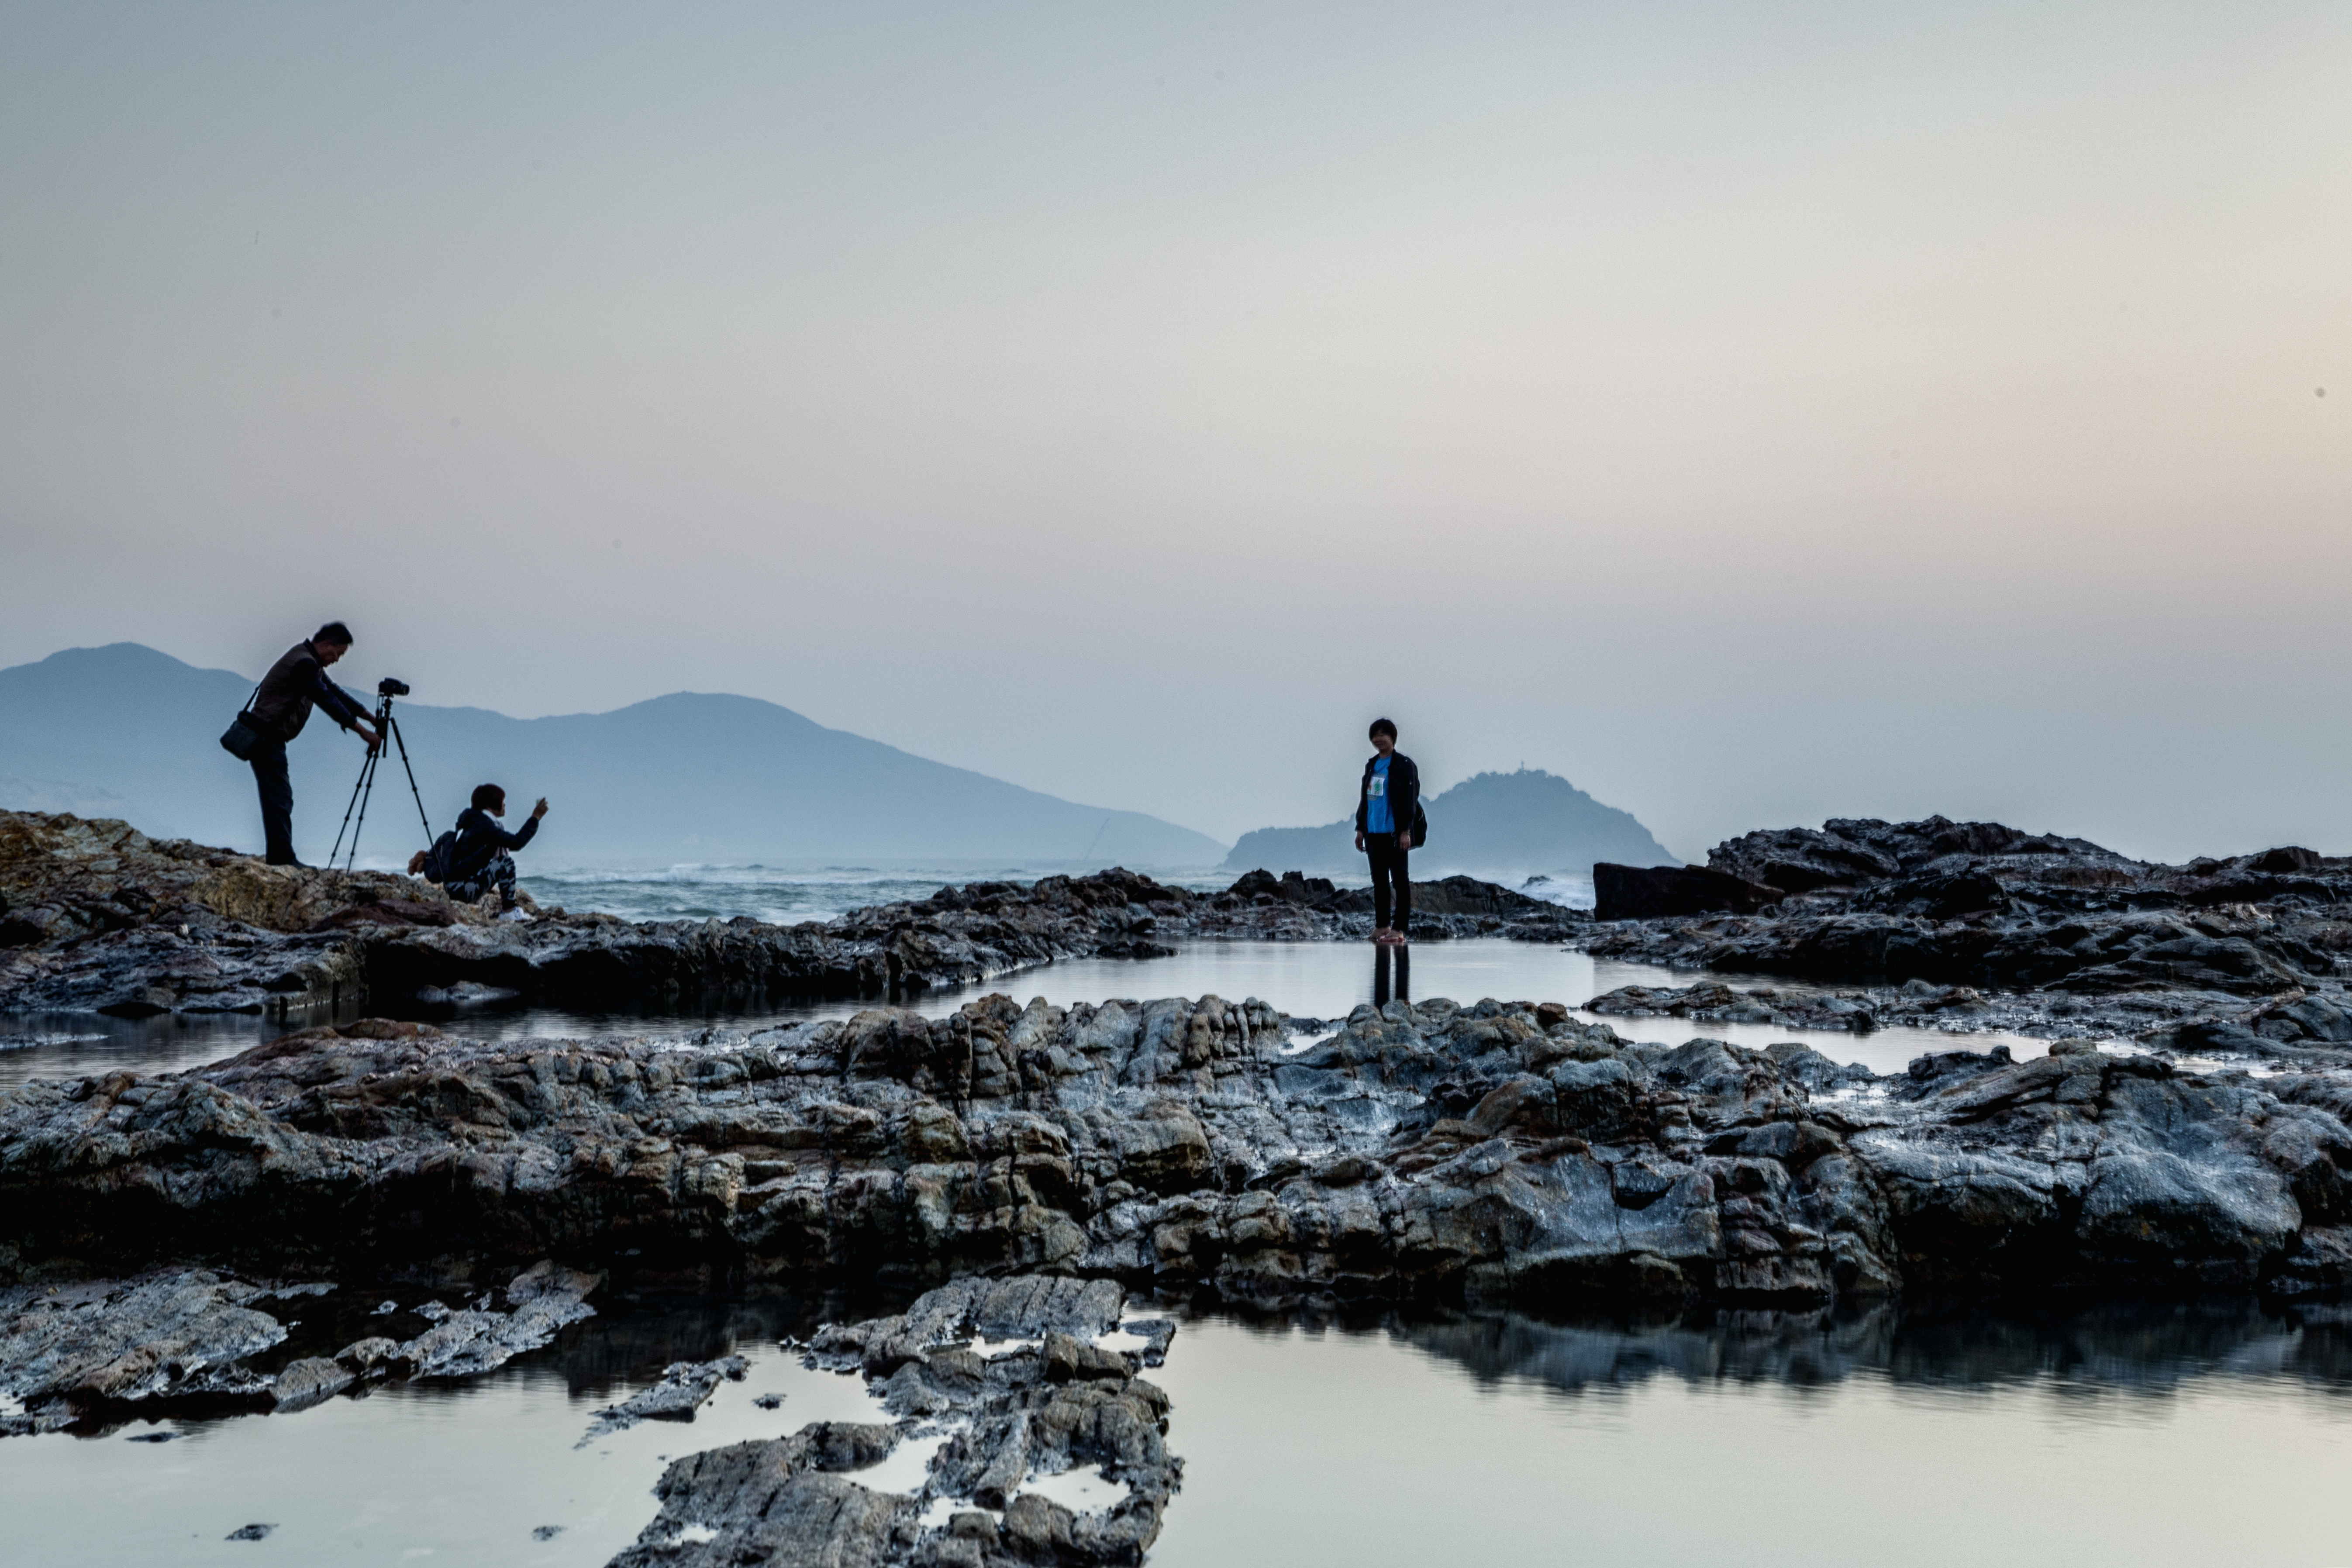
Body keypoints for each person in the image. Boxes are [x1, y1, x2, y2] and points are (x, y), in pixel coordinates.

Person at [245, 621, 382, 866]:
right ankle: (281, 859)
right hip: (266, 737)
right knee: (279, 798)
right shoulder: (304, 663)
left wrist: (369, 717)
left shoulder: (310, 662)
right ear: (326, 644)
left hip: (271, 738)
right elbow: (325, 699)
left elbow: (335, 692)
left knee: (279, 798)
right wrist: (363, 732)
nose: (336, 660)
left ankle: (281, 856)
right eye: (337, 654)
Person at [423, 784, 548, 910]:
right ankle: (509, 911)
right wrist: (536, 817)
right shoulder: (484, 826)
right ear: (490, 805)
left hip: (453, 888)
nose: (505, 805)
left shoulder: (472, 823)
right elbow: (517, 842)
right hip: (463, 891)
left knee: (499, 863)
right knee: (505, 863)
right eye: (502, 801)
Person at [1353, 717, 1420, 944]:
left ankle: (1400, 928)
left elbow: (1410, 801)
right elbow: (1366, 800)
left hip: (1395, 833)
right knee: (1379, 882)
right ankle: (1382, 925)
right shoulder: (1372, 765)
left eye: (1383, 735)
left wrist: (1405, 831)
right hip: (1373, 832)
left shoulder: (1404, 765)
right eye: (1375, 736)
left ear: (1393, 738)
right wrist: (1361, 829)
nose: (1378, 740)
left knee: (1400, 881)